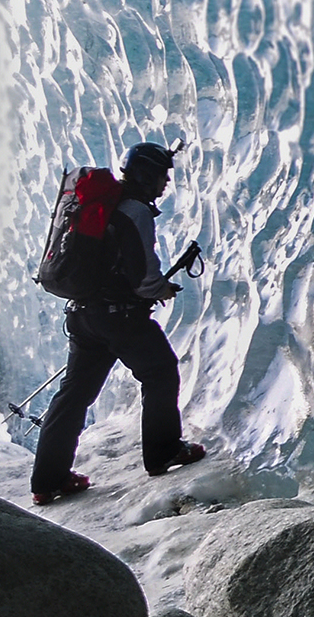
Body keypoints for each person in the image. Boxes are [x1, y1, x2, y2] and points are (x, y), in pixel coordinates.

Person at [30, 142, 208, 503]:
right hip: (120, 318)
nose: (165, 184)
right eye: (162, 175)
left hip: (83, 316)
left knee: (74, 395)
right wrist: (160, 289)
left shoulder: (103, 207)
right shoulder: (134, 211)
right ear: (146, 174)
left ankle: (48, 481)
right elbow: (143, 275)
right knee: (160, 371)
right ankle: (164, 451)